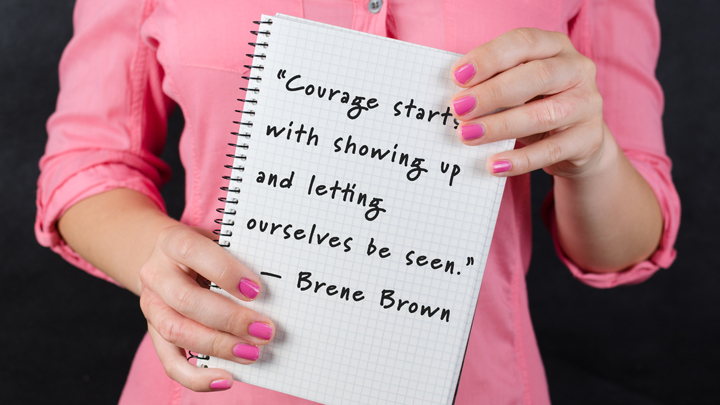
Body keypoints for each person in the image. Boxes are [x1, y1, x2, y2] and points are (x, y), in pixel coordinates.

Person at [36, 0, 680, 403]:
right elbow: (88, 160)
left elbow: (627, 242)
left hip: (479, 387)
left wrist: (592, 161)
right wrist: (160, 262)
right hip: (216, 385)